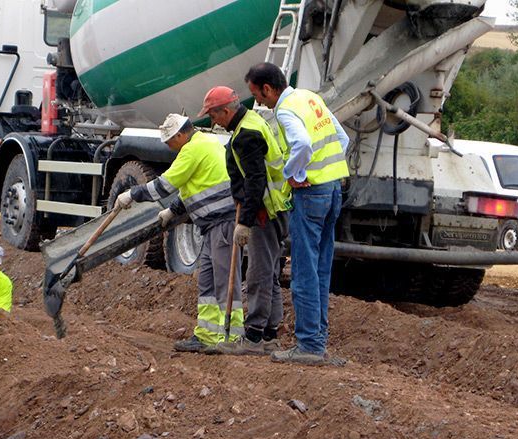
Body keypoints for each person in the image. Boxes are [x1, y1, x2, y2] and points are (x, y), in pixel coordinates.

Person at [245, 62, 350, 365]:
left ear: (268, 88)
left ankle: (308, 346)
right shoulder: (309, 98)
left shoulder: (286, 109)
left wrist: (294, 172)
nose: (259, 102)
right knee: (321, 269)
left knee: (304, 271)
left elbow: (302, 143)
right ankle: (318, 340)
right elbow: (342, 139)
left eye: (258, 95)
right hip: (332, 190)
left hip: (311, 193)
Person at [115, 114, 244, 353]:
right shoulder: (205, 143)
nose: (167, 146)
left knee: (225, 280)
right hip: (212, 226)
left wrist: (132, 194)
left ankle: (231, 337)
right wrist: (173, 210)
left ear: (180, 135)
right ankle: (206, 334)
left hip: (223, 223)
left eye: (169, 141)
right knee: (207, 279)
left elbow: (164, 186)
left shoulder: (193, 149)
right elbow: (195, 185)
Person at [198, 86, 290, 355]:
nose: (213, 122)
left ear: (225, 111)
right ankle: (270, 332)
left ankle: (253, 337)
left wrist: (245, 222)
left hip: (265, 211)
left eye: (214, 116)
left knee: (258, 273)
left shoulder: (245, 136)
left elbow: (255, 181)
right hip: (278, 208)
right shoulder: (253, 121)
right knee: (269, 272)